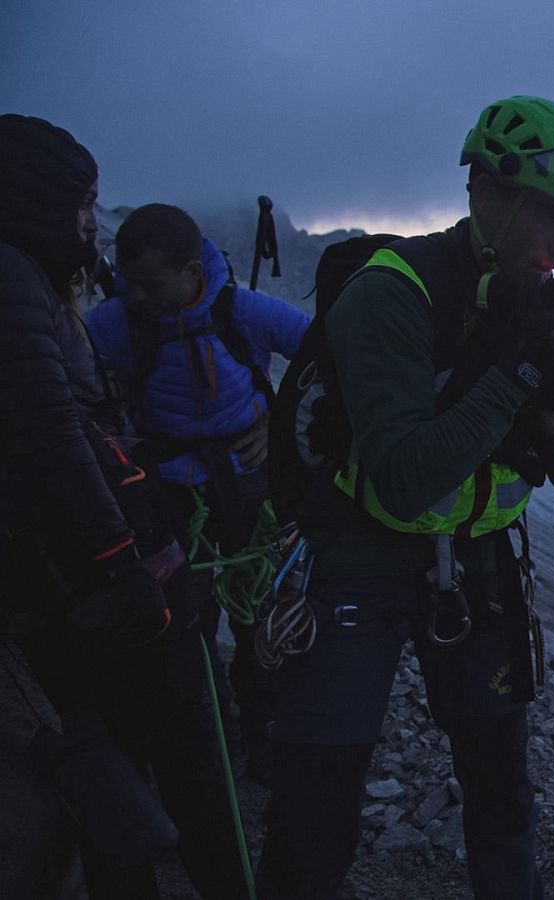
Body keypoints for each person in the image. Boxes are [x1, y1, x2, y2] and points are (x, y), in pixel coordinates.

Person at [253, 95, 554, 899]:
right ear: (485, 196)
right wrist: (520, 375)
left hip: (481, 563)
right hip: (358, 553)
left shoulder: (542, 306)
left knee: (502, 796)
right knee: (315, 816)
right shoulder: (392, 294)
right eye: (552, 216)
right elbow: (406, 476)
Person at [0, 114, 250, 898]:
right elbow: (50, 431)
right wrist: (122, 560)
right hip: (95, 577)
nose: (89, 225)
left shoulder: (30, 281)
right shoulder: (13, 280)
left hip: (61, 585)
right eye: (83, 205)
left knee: (109, 758)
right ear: (37, 202)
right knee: (181, 753)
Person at [85, 202, 311, 780]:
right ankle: (214, 743)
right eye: (129, 281)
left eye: (149, 284)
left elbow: (323, 354)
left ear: (192, 271)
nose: (135, 295)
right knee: (192, 618)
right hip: (171, 489)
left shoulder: (239, 310)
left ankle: (258, 737)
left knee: (256, 611)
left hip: (242, 482)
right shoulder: (118, 322)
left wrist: (278, 419)